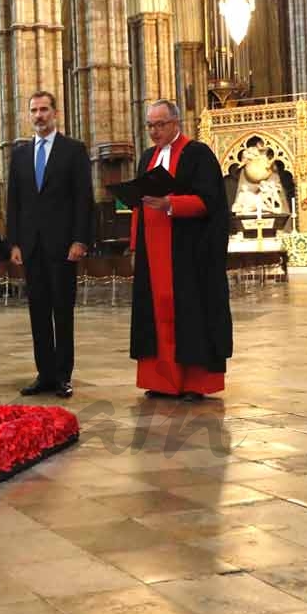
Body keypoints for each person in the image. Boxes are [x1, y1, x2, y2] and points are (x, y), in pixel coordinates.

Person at [130, 99, 232, 401]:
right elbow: (139, 202)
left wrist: (171, 204)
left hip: (187, 254)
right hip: (153, 252)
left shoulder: (197, 154)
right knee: (154, 314)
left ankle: (194, 383)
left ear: (176, 123)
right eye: (150, 125)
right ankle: (161, 380)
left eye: (160, 125)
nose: (154, 131)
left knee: (190, 315)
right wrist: (135, 244)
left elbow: (211, 202)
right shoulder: (147, 157)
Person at [7, 90, 94, 399]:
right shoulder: (19, 154)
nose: (39, 115)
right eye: (34, 110)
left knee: (62, 311)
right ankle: (44, 374)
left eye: (44, 109)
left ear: (55, 113)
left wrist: (80, 239)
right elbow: (14, 203)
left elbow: (84, 199)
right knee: (38, 311)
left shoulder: (73, 150)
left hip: (62, 244)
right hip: (31, 245)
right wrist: (13, 242)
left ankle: (63, 375)